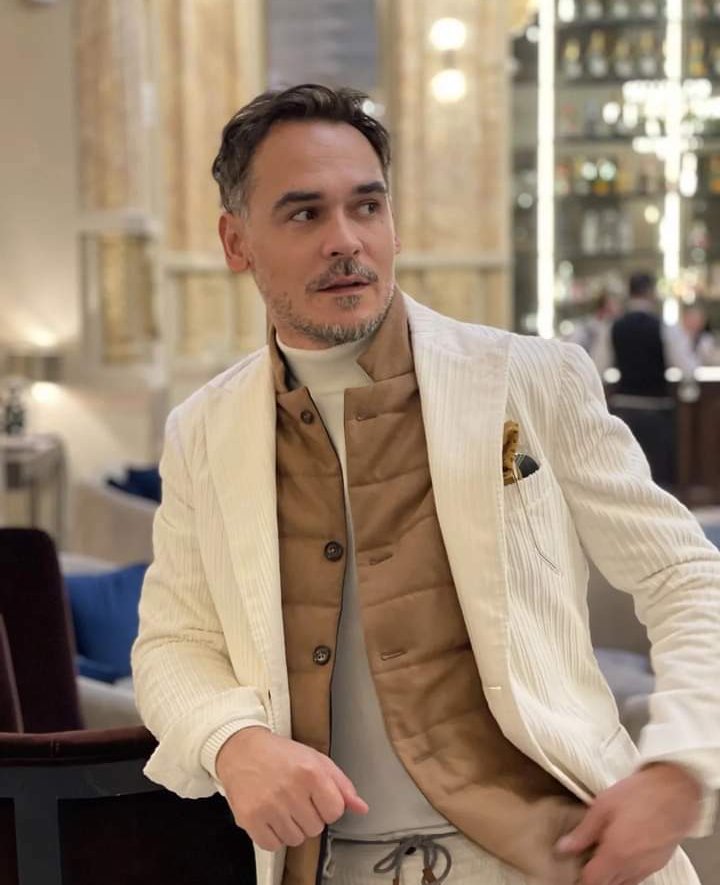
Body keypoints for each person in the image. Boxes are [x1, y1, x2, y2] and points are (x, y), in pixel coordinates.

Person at [132, 85, 720, 885]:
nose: (346, 240)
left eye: (366, 207)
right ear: (237, 242)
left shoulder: (530, 377)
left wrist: (680, 764)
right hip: (331, 866)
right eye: (304, 214)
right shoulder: (203, 430)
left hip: (552, 857)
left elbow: (682, 573)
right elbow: (174, 643)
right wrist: (232, 741)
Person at [602, 272, 698, 490]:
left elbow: (598, 366)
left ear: (629, 293)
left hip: (623, 410)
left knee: (626, 478)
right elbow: (687, 368)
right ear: (650, 293)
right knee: (658, 481)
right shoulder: (664, 327)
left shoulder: (613, 327)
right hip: (657, 410)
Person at [567, 289, 622, 374]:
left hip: (608, 372)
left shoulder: (615, 326)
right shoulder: (588, 327)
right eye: (614, 304)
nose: (617, 308)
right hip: (592, 370)